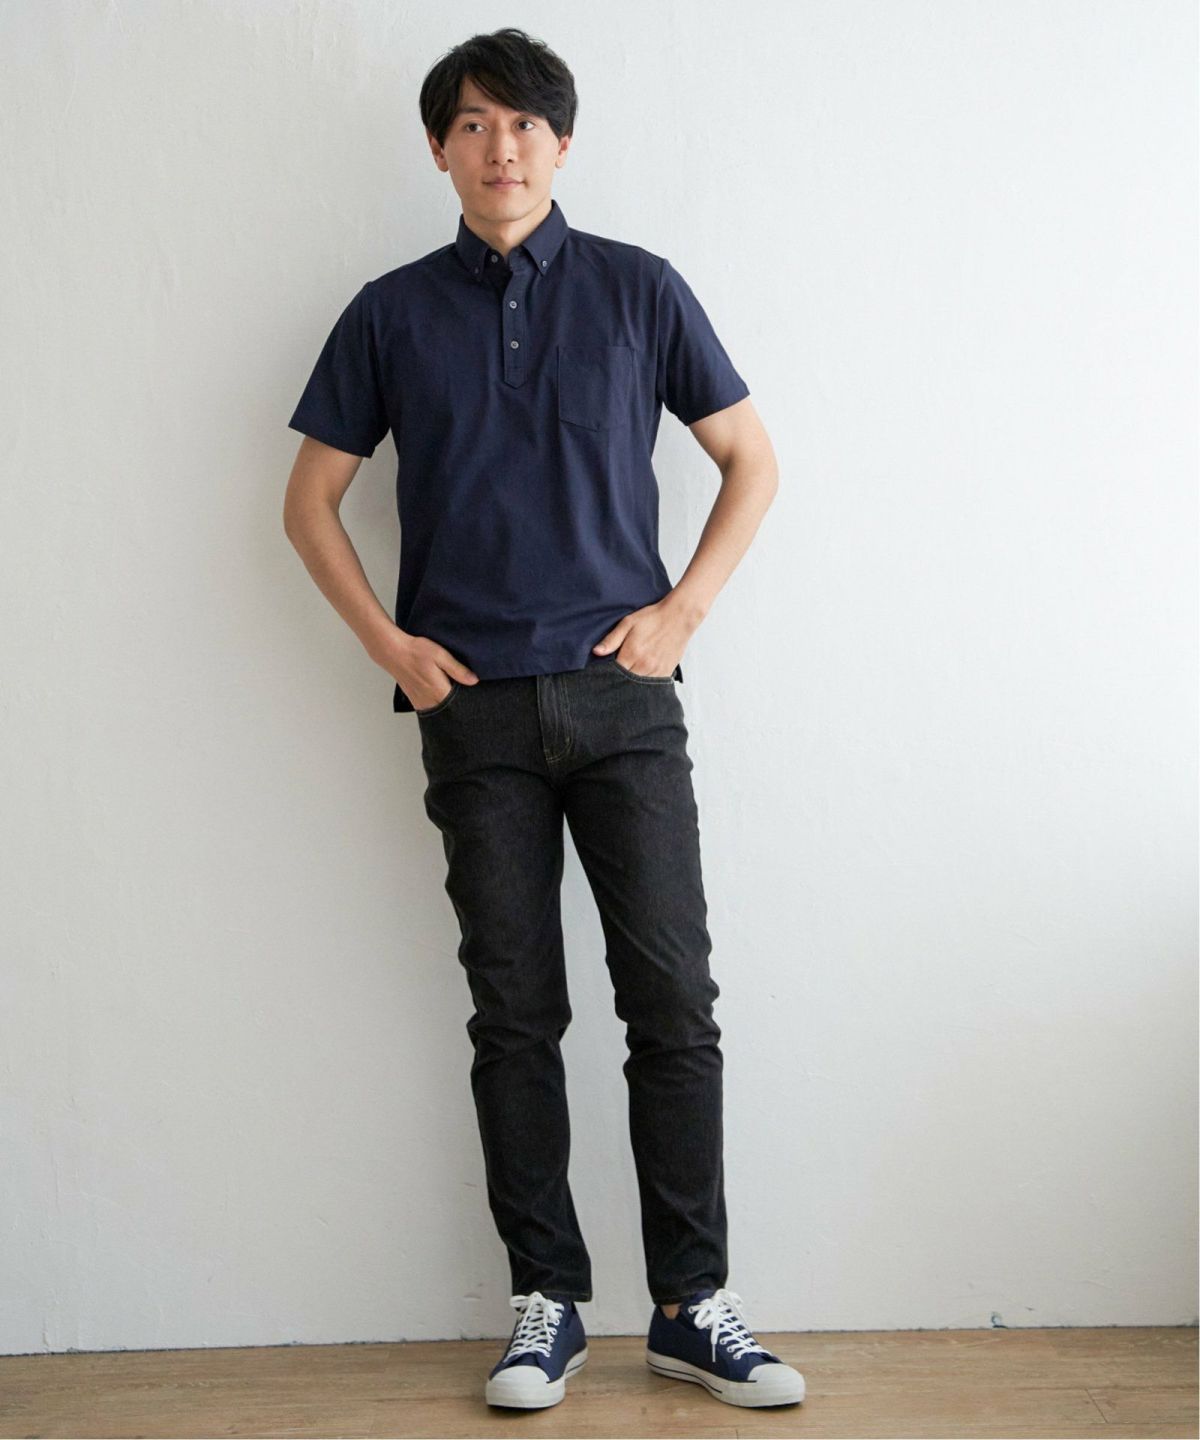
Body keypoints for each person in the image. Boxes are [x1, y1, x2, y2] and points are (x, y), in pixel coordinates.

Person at [282, 25, 804, 1414]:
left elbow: (750, 458)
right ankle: (547, 1303)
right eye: (471, 124)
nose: (499, 147)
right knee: (515, 1013)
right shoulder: (390, 314)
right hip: (474, 713)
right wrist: (391, 645)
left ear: (562, 144)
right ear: (439, 149)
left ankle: (693, 1304)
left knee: (672, 1001)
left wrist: (683, 611)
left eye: (522, 124)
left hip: (624, 701)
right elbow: (309, 501)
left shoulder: (640, 290)